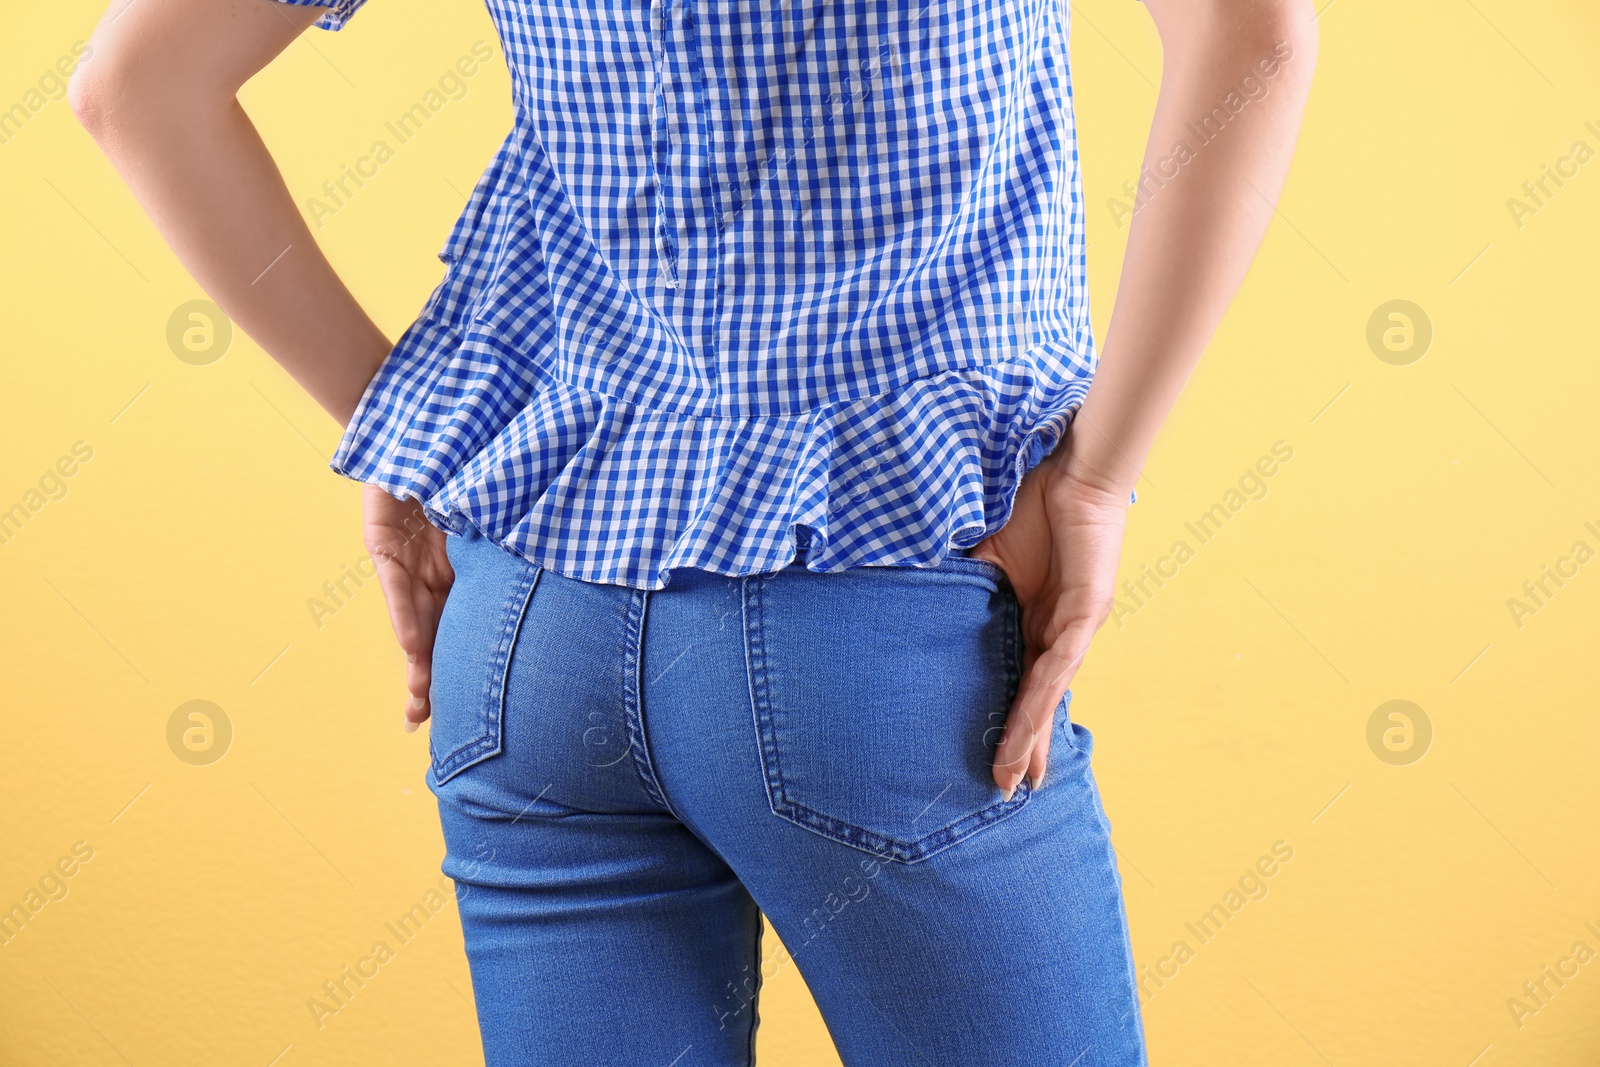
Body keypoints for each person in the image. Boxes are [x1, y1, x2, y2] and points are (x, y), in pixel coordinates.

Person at [70, 0, 1315, 1061]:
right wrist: (1096, 482)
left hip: (527, 632)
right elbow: (1249, 30)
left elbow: (135, 88)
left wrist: (420, 428)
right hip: (872, 606)